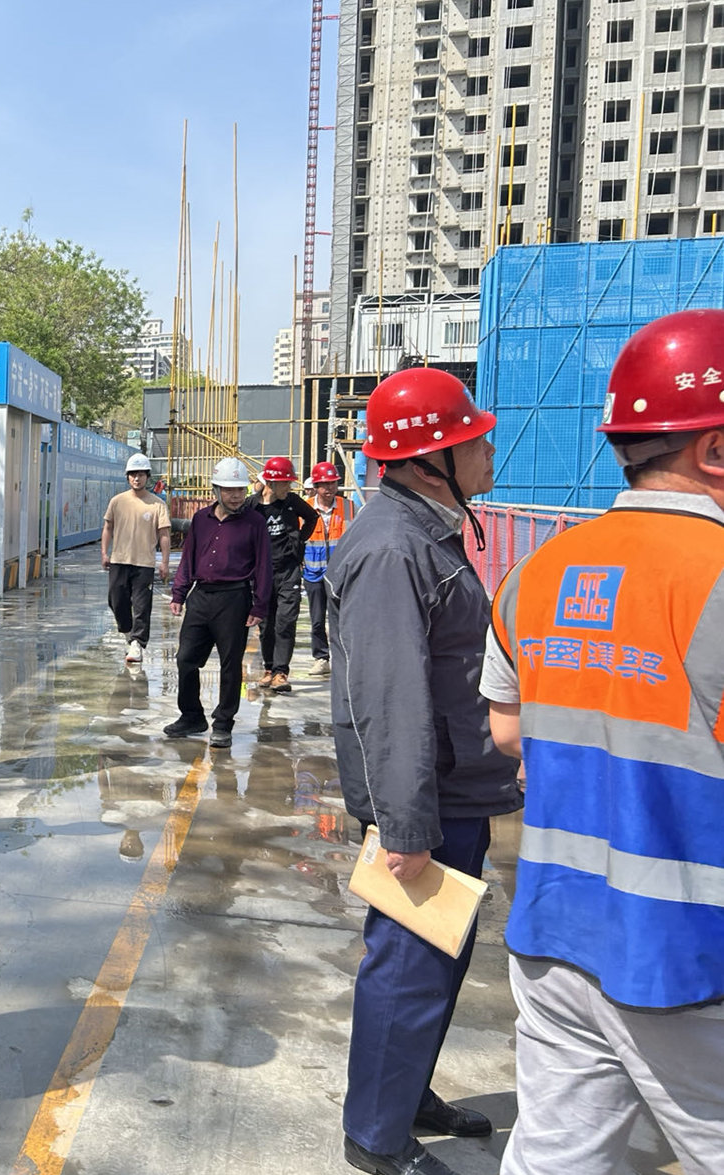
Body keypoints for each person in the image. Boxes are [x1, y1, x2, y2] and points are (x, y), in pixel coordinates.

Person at [483, 309, 724, 1175]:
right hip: (687, 955)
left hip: (553, 929)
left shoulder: (535, 572)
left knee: (555, 1155)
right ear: (713, 448)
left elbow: (506, 728)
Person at [326, 368, 521, 1175]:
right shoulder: (390, 547)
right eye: (473, 438)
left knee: (438, 959)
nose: (487, 448)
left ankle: (405, 1094)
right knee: (408, 967)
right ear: (427, 458)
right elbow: (389, 697)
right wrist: (404, 825)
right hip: (425, 803)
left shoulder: (424, 531)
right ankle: (375, 1135)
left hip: (453, 791)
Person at [163, 456, 271, 750]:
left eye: (240, 490)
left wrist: (259, 606)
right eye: (229, 490)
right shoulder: (201, 519)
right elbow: (188, 558)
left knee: (230, 665)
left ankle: (223, 724)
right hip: (200, 597)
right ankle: (191, 716)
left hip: (234, 599)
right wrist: (179, 592)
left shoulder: (255, 523)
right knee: (186, 658)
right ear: (216, 490)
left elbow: (264, 567)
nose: (236, 496)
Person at [244, 456, 319, 693]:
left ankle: (281, 672)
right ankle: (269, 669)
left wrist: (298, 542)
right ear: (271, 483)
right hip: (261, 574)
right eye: (285, 483)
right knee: (266, 624)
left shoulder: (292, 502)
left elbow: (312, 517)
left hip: (288, 570)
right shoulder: (251, 506)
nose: (289, 487)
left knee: (286, 621)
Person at [101, 452, 172, 664]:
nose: (136, 478)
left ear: (147, 477)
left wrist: (164, 562)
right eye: (133, 474)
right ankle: (127, 632)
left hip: (144, 564)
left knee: (141, 606)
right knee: (116, 600)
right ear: (127, 477)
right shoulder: (117, 501)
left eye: (141, 474)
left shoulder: (157, 505)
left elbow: (164, 534)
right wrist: (104, 552)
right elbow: (108, 528)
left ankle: (137, 644)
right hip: (119, 560)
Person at [302, 461, 354, 678]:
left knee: (340, 619)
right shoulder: (304, 508)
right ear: (316, 486)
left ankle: (343, 659)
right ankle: (321, 658)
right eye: (324, 484)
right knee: (317, 620)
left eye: (333, 483)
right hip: (313, 573)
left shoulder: (348, 507)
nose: (330, 488)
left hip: (339, 575)